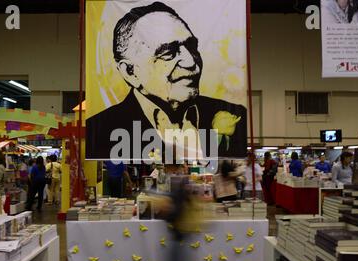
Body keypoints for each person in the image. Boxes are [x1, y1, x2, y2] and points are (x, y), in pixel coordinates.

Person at [86, 1, 247, 161]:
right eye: (169, 53)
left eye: (192, 47)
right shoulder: (100, 130)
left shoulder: (235, 116)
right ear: (130, 71)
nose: (191, 62)